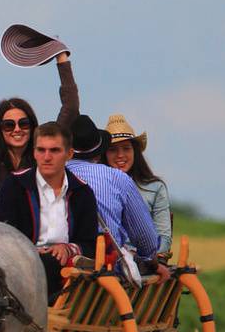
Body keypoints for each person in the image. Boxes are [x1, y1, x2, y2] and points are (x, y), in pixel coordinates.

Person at [0, 122, 99, 302]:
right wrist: (29, 250)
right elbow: (0, 232)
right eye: (41, 150)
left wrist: (68, 249)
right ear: (33, 152)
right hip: (21, 268)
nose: (46, 157)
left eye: (55, 150)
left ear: (69, 154)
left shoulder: (82, 191)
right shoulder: (15, 185)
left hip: (65, 274)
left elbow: (90, 243)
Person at [64, 115, 163, 278]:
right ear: (99, 152)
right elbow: (146, 240)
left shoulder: (51, 177)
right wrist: (149, 261)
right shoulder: (118, 178)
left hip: (58, 267)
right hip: (105, 274)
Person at [0, 50, 80, 188]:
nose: (17, 130)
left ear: (32, 125)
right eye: (9, 125)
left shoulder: (43, 153)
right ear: (0, 129)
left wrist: (61, 57)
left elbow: (71, 108)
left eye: (23, 124)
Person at [103, 114, 171, 256]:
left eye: (126, 148)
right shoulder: (98, 186)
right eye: (113, 149)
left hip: (144, 261)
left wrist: (141, 256)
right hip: (108, 259)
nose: (120, 155)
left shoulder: (155, 187)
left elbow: (164, 239)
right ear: (104, 154)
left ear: (135, 152)